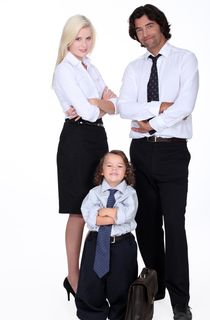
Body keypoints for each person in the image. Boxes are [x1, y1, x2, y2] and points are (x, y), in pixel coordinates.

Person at [118, 4, 199, 320]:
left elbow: (185, 105)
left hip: (172, 151)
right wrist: (158, 106)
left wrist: (152, 123)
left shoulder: (185, 59)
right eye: (139, 29)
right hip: (139, 153)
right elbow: (125, 107)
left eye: (149, 26)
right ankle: (157, 285)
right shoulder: (134, 68)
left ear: (161, 25)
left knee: (174, 226)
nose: (145, 33)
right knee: (146, 224)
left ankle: (181, 299)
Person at [53, 15, 116, 299]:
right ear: (68, 39)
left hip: (97, 137)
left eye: (88, 38)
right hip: (77, 140)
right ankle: (73, 277)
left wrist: (99, 104)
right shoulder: (65, 71)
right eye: (78, 38)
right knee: (78, 211)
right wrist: (98, 105)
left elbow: (114, 104)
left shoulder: (90, 66)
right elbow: (90, 112)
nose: (84, 44)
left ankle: (97, 273)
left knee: (100, 206)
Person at [75, 150, 138, 320]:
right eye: (109, 165)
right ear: (101, 170)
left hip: (122, 243)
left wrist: (103, 213)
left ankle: (121, 311)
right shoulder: (94, 193)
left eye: (119, 166)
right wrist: (113, 215)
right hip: (96, 241)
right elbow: (90, 217)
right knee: (92, 279)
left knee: (121, 280)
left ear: (126, 171)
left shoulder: (130, 193)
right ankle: (92, 310)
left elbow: (127, 215)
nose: (114, 169)